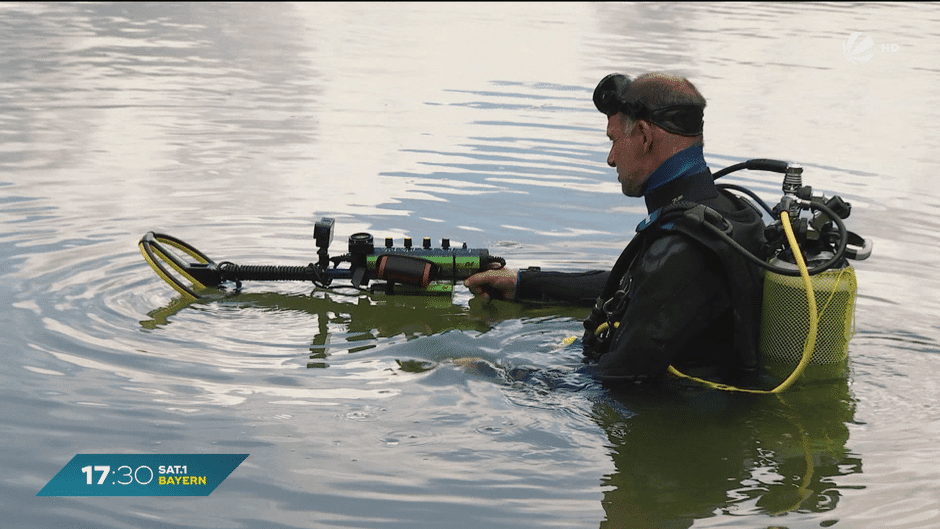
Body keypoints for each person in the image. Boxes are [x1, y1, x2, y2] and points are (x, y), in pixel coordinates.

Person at [464, 72, 767, 387]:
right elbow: (629, 289)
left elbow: (611, 379)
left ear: (645, 136)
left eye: (614, 141)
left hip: (694, 415)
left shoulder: (682, 250)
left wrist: (491, 374)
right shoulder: (725, 211)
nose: (610, 159)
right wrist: (523, 284)